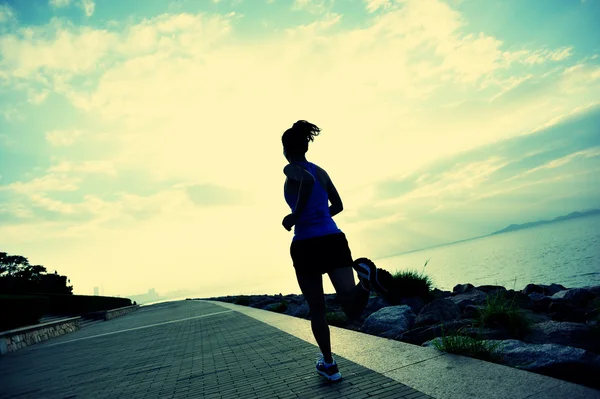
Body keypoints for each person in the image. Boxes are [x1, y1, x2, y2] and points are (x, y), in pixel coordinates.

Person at [281, 120, 394, 382]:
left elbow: (305, 182)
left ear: (286, 149)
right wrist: (319, 216)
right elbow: (338, 205)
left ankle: (329, 364)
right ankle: (366, 280)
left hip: (306, 244)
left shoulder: (292, 169)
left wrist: (295, 217)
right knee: (352, 309)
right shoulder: (321, 171)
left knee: (317, 309)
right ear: (306, 146)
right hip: (333, 238)